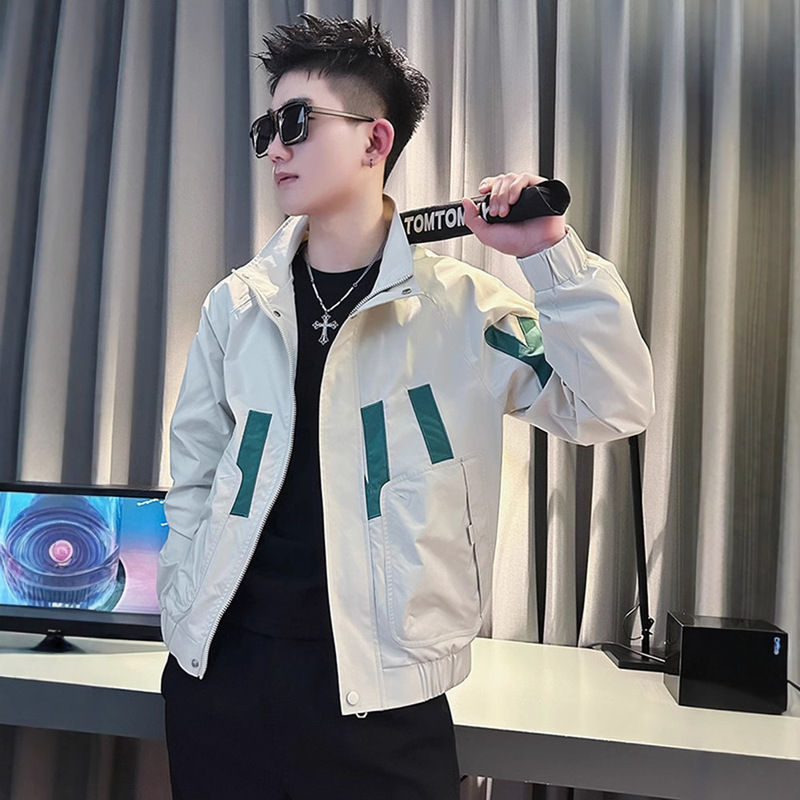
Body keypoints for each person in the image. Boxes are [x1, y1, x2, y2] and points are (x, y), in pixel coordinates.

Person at [157, 13, 655, 800]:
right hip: (219, 681)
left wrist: (550, 257)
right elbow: (192, 478)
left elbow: (612, 406)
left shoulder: (465, 310)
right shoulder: (237, 306)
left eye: (296, 122)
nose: (275, 148)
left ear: (375, 140)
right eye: (266, 129)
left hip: (382, 703)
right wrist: (182, 609)